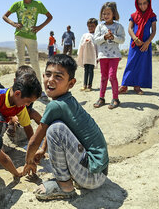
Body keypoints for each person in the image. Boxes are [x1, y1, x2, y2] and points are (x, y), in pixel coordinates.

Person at [23, 54, 109, 201]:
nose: (50, 80)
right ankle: (68, 179)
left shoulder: (55, 105)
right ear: (43, 76)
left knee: (55, 129)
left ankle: (65, 186)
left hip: (92, 176)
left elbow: (34, 141)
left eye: (58, 76)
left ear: (71, 83)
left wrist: (28, 162)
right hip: (99, 172)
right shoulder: (66, 101)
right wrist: (43, 150)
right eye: (48, 74)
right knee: (56, 127)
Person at [2, 0, 52, 100]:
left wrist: (39, 27)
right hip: (19, 36)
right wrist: (13, 23)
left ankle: (39, 90)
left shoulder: (38, 4)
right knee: (20, 62)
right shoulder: (17, 5)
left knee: (35, 62)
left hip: (32, 37)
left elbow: (50, 16)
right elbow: (4, 16)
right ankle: (19, 88)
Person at [0, 73, 42, 140]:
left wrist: (33, 145)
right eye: (28, 101)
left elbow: (27, 126)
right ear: (17, 93)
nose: (28, 105)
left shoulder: (20, 106)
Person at [119, 0, 157, 95]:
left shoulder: (152, 16)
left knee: (142, 64)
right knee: (131, 63)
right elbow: (130, 28)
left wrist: (147, 43)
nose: (142, 6)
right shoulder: (133, 15)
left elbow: (153, 31)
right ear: (137, 4)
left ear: (148, 3)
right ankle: (124, 85)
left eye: (144, 3)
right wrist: (135, 39)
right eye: (140, 4)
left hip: (146, 43)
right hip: (134, 43)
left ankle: (137, 86)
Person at [93, 2, 125, 109]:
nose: (106, 16)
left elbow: (122, 40)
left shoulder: (118, 26)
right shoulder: (100, 26)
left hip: (114, 56)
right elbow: (96, 40)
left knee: (112, 76)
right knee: (104, 77)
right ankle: (101, 98)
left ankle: (115, 98)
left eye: (108, 13)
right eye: (104, 13)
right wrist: (105, 37)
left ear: (114, 14)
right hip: (103, 56)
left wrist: (113, 37)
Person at [6, 65, 43, 138]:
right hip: (12, 115)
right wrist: (13, 117)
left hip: (24, 113)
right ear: (15, 81)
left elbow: (28, 108)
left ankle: (45, 129)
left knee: (34, 114)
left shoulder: (30, 93)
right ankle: (11, 127)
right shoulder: (12, 94)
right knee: (14, 118)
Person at [77, 18, 98, 91]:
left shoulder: (97, 35)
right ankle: (84, 85)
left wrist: (98, 56)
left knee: (91, 70)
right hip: (86, 56)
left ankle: (89, 85)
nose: (90, 28)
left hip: (92, 57)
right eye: (89, 26)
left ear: (96, 26)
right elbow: (81, 45)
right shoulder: (85, 35)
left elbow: (97, 46)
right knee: (86, 70)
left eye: (92, 26)